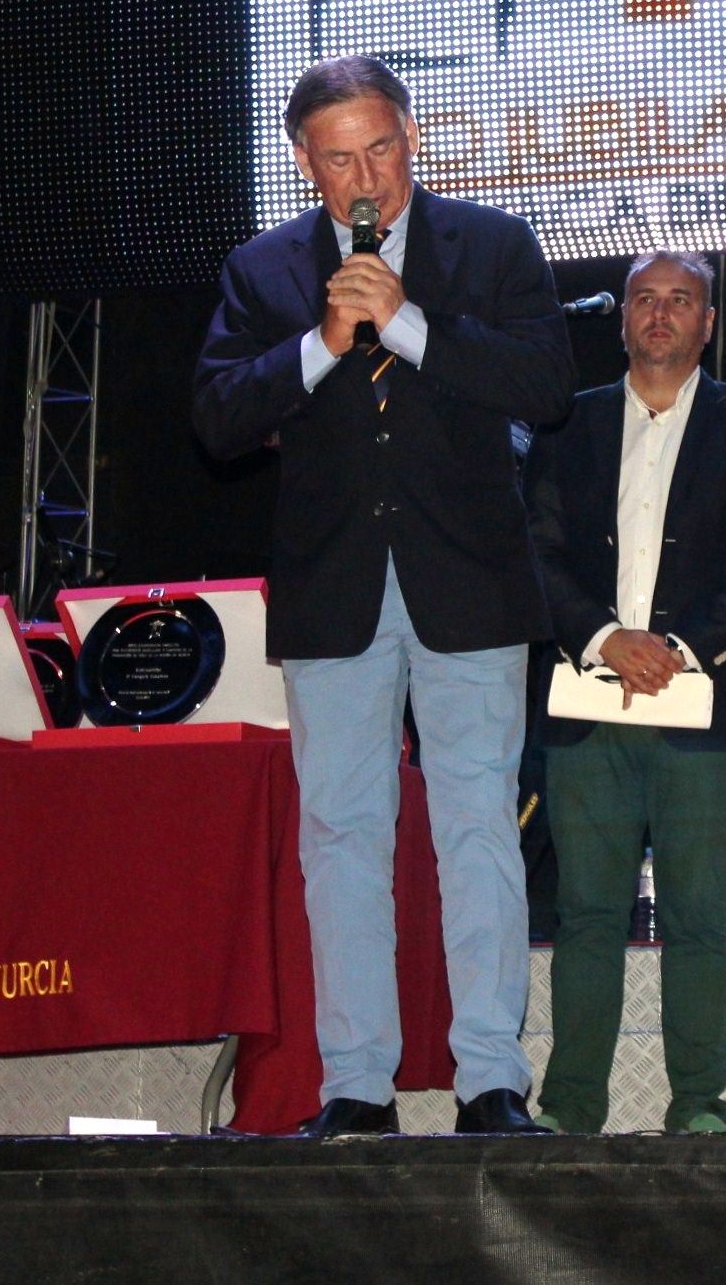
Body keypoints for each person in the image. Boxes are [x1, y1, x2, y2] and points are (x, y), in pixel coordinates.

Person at [192, 55, 576, 1138]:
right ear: (301, 161)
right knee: (341, 839)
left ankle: (490, 1081)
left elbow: (546, 386)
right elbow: (217, 418)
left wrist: (407, 325)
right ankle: (356, 1089)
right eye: (339, 158)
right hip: (333, 591)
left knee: (477, 830)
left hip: (469, 584)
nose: (367, 179)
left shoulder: (492, 245)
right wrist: (320, 346)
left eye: (382, 149)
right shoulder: (262, 270)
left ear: (413, 136)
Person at [521, 251, 726, 1135]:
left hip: (705, 708)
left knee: (696, 914)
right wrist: (606, 639)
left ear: (707, 324)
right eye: (644, 298)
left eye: (681, 300)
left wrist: (683, 649)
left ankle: (699, 1105)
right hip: (587, 703)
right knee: (585, 915)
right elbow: (534, 549)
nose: (659, 313)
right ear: (621, 319)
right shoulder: (567, 421)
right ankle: (570, 1107)